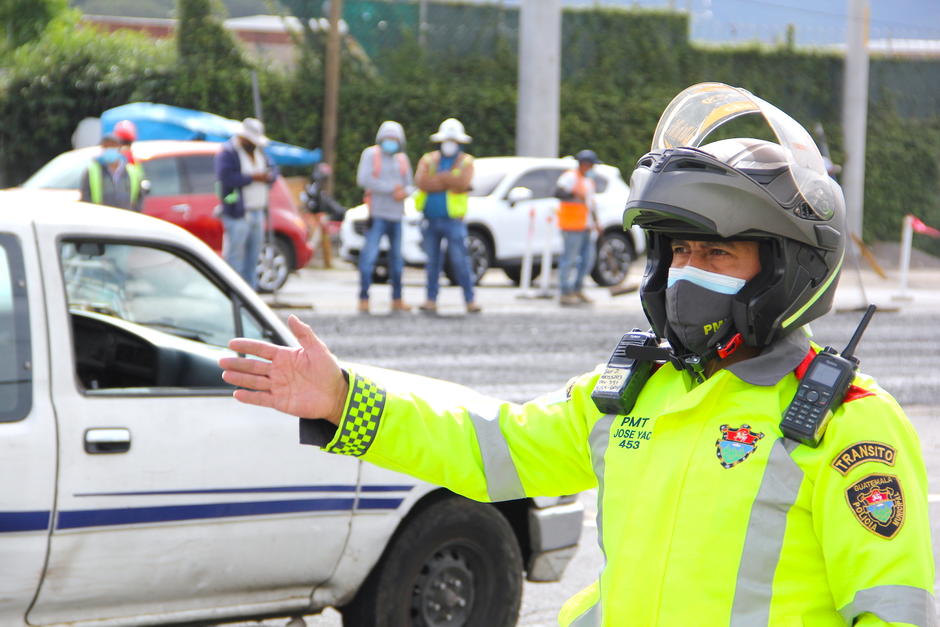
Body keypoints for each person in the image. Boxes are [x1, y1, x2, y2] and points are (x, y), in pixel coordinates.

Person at [218, 83, 935, 626]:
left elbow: (891, 609)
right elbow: (487, 446)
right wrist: (347, 400)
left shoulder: (844, 426)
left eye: (716, 249)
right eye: (680, 250)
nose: (687, 270)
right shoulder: (634, 393)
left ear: (788, 269)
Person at [413, 117, 481, 314]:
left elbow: (463, 183)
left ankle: (470, 300)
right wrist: (449, 180)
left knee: (461, 260)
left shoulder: (466, 161)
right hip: (431, 218)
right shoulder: (428, 159)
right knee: (432, 262)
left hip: (454, 220)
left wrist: (439, 179)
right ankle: (431, 299)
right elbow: (422, 182)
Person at [355, 121, 414, 314]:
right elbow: (363, 179)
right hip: (377, 214)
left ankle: (397, 298)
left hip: (396, 215)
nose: (391, 142)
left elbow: (410, 185)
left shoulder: (402, 159)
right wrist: (391, 189)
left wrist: (403, 192)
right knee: (369, 256)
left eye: (395, 139)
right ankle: (363, 297)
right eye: (388, 138)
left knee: (397, 259)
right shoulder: (371, 154)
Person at [214, 118, 277, 290]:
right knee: (235, 258)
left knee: (253, 256)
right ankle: (231, 292)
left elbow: (273, 169)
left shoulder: (259, 152)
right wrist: (252, 178)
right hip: (237, 212)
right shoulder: (229, 152)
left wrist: (269, 176)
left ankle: (250, 294)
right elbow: (225, 178)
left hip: (257, 211)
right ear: (243, 138)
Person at [555, 149, 602, 306]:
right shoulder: (570, 177)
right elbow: (558, 192)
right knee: (569, 259)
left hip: (586, 225)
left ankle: (578, 288)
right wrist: (574, 195)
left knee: (588, 259)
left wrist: (596, 222)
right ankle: (565, 292)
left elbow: (591, 203)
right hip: (571, 225)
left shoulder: (588, 181)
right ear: (585, 164)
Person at [80, 133, 144, 212]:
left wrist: (134, 211)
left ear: (119, 148)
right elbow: (86, 197)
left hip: (126, 218)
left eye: (112, 146)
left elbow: (139, 197)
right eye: (106, 147)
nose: (109, 149)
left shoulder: (132, 172)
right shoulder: (92, 171)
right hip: (100, 218)